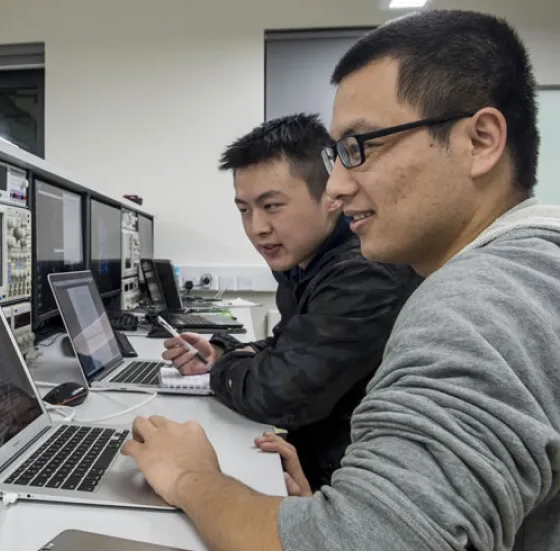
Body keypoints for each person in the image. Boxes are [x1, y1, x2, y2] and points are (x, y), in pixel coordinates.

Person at [124, 10, 560, 551]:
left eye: (361, 147)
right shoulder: (516, 275)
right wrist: (326, 508)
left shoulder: (482, 300)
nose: (335, 187)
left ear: (481, 140)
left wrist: (191, 478)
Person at [162, 113, 420, 489]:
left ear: (331, 197)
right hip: (314, 455)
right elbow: (291, 346)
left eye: (272, 206)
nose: (256, 228)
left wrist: (223, 370)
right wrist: (222, 352)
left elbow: (281, 392)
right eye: (244, 209)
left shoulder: (364, 273)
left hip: (353, 485)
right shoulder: (303, 261)